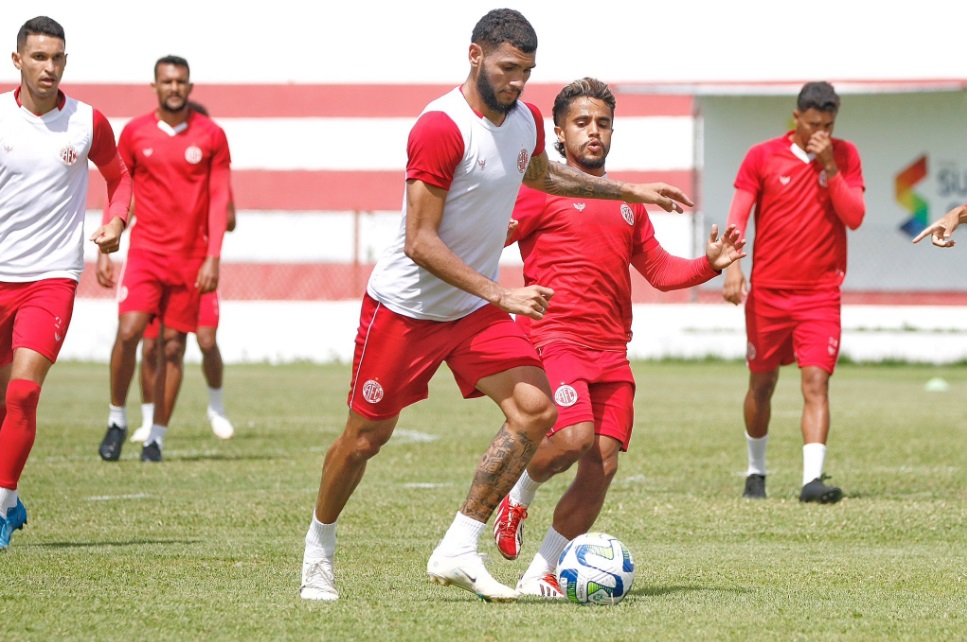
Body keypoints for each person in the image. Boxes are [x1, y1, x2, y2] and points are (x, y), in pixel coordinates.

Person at [300, 8, 694, 603]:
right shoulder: (439, 128)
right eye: (508, 68)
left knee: (537, 412)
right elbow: (420, 240)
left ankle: (459, 546)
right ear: (475, 55)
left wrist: (629, 190)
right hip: (405, 309)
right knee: (362, 441)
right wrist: (502, 293)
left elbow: (547, 179)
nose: (517, 83)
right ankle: (319, 547)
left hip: (470, 312)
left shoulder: (527, 120)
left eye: (527, 72)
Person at [492, 77, 746, 597]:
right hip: (554, 340)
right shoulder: (541, 193)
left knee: (602, 462)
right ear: (559, 135)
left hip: (611, 352)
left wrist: (709, 265)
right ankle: (517, 496)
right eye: (582, 123)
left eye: (602, 123)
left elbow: (659, 269)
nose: (594, 132)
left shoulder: (629, 205)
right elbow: (489, 236)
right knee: (572, 438)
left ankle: (541, 571)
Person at [0, 16, 132, 548]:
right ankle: (11, 496)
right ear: (17, 61)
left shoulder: (86, 121)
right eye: (38, 57)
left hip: (51, 278)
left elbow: (120, 176)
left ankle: (2, 503)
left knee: (25, 392)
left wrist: (117, 222)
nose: (48, 67)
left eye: (56, 58)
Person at [722, 81, 865, 503]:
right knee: (762, 385)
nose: (821, 131)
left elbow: (854, 216)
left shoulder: (845, 155)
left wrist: (830, 168)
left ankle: (811, 481)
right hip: (768, 294)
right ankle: (756, 473)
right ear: (797, 117)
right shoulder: (761, 156)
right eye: (814, 123)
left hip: (821, 293)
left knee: (816, 383)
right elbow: (738, 214)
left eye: (829, 124)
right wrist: (733, 266)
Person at [96, 55, 231, 463]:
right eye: (167, 81)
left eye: (181, 82)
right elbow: (120, 186)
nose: (174, 88)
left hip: (190, 259)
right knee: (129, 332)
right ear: (154, 86)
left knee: (174, 348)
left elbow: (220, 198)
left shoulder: (212, 135)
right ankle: (117, 418)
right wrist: (110, 235)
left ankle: (156, 436)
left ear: (190, 87)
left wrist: (213, 257)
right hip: (146, 253)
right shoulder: (135, 133)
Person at [130, 101, 237, 444]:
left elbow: (230, 218)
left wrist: (200, 209)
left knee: (205, 340)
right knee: (151, 347)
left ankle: (216, 408)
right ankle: (148, 422)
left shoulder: (212, 166)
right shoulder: (153, 152)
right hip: (158, 261)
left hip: (197, 264)